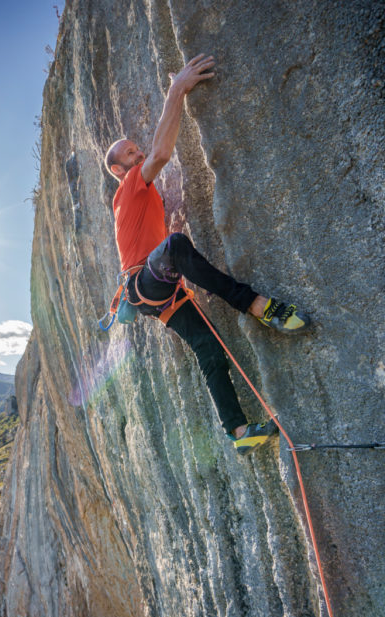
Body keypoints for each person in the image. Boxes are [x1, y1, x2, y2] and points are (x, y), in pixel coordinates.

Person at [104, 53, 310, 453]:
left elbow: (158, 154)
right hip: (147, 280)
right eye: (129, 154)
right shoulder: (129, 184)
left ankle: (238, 433)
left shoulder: (142, 194)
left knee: (209, 348)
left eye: (135, 148)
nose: (138, 154)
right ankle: (255, 304)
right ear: (119, 170)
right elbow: (163, 153)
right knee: (177, 245)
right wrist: (177, 89)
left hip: (155, 291)